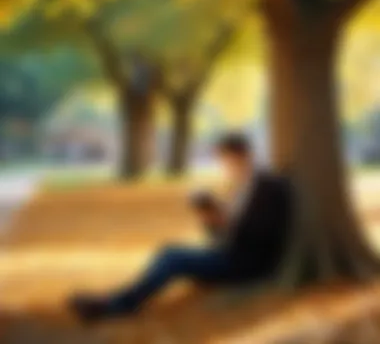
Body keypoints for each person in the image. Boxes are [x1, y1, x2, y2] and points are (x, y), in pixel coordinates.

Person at [69, 133, 293, 323]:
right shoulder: (240, 187)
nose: (227, 168)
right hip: (229, 253)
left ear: (243, 155)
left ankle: (120, 305)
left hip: (247, 263)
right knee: (170, 252)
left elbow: (263, 236)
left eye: (228, 161)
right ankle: (116, 300)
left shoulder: (268, 187)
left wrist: (229, 224)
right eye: (224, 162)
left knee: (173, 257)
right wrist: (211, 220)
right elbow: (224, 234)